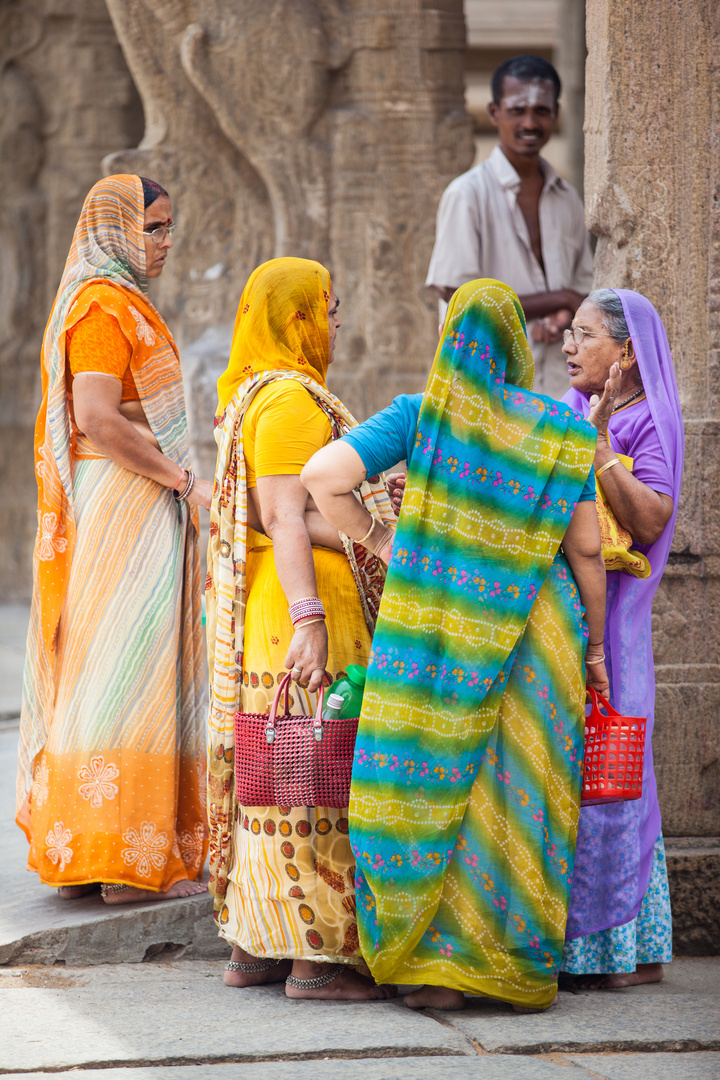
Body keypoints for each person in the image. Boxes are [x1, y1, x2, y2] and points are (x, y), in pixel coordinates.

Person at [302, 279, 608, 1011]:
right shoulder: (559, 428)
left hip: (433, 636)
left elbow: (321, 478)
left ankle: (428, 968)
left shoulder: (419, 416)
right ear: (513, 348)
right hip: (538, 639)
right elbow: (589, 548)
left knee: (426, 776)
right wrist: (595, 647)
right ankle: (498, 962)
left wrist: (384, 540)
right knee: (515, 789)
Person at [205, 256, 397, 1001]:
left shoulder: (255, 390)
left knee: (273, 770)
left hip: (270, 606)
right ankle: (316, 960)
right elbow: (282, 516)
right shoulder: (288, 399)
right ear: (296, 319)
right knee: (315, 773)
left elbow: (278, 511)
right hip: (300, 606)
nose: (338, 320)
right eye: (330, 305)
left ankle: (256, 948)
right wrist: (312, 618)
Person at [16, 174, 211, 904]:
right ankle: (125, 866)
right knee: (127, 673)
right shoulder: (101, 305)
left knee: (110, 673)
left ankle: (93, 854)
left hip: (130, 501)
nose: (164, 244)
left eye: (168, 228)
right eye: (151, 229)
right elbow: (97, 417)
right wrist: (182, 481)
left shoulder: (120, 300)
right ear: (113, 229)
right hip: (123, 506)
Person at [559, 288, 683, 988]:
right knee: (579, 776)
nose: (570, 346)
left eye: (585, 334)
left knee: (615, 780)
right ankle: (581, 943)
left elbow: (647, 521)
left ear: (627, 352)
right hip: (572, 624)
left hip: (619, 632)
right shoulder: (572, 410)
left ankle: (620, 953)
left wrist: (602, 447)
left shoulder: (644, 423)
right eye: (570, 334)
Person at [426, 55, 593, 399]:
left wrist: (564, 312)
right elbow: (460, 296)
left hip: (560, 387)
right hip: (484, 387)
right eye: (518, 110)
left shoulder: (568, 199)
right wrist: (561, 298)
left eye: (541, 111)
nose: (530, 122)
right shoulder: (467, 194)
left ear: (555, 114)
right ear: (494, 112)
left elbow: (583, 290)